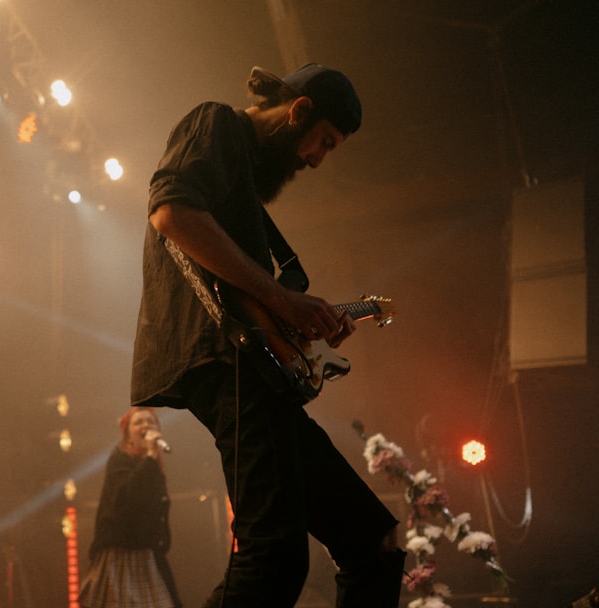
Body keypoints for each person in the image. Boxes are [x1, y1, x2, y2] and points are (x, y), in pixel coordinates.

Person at [131, 63, 406, 607]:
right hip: (223, 360)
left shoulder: (243, 188)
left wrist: (300, 329)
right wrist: (283, 299)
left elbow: (243, 290)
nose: (316, 159)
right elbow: (171, 211)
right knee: (273, 555)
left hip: (257, 368)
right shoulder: (215, 124)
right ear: (298, 112)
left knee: (373, 541)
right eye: (322, 141)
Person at [79, 406, 181, 608]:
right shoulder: (119, 460)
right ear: (128, 437)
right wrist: (152, 455)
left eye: (151, 421)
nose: (146, 425)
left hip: (147, 556)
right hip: (120, 558)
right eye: (139, 422)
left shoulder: (153, 469)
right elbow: (127, 498)